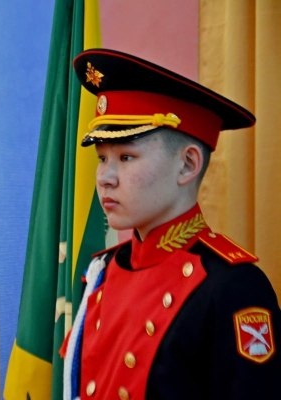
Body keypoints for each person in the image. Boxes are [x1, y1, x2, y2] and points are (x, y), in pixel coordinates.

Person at [63, 49, 280, 399]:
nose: (105, 177)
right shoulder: (103, 272)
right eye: (102, 158)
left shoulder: (233, 286)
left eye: (126, 157)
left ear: (187, 165)